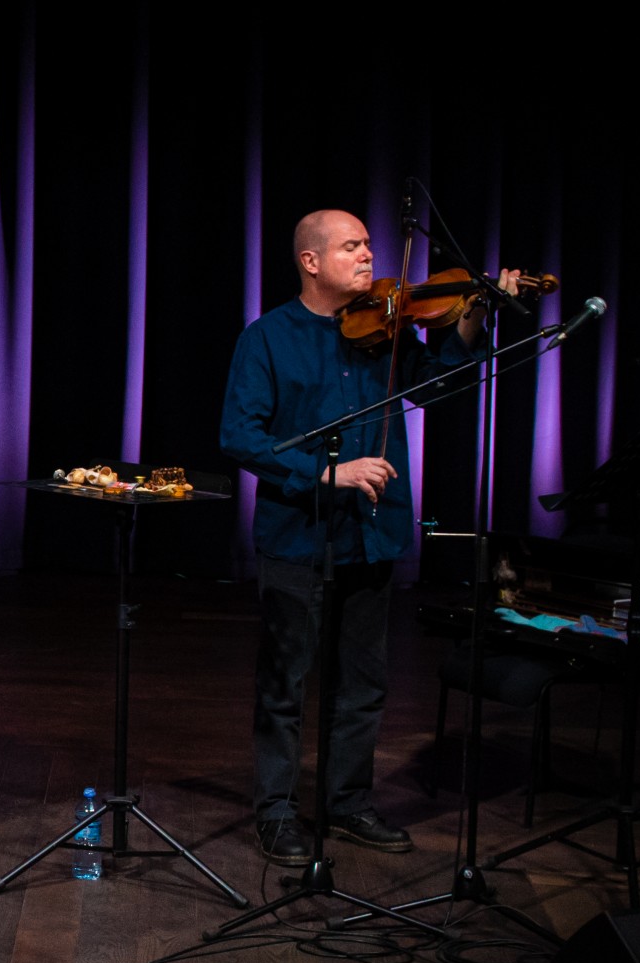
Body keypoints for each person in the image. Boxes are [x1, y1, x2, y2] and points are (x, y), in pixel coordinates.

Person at [219, 209, 522, 861]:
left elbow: (440, 386)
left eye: (368, 245)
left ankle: (348, 803)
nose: (367, 256)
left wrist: (473, 314)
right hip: (298, 535)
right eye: (351, 246)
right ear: (311, 261)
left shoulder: (386, 331)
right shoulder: (266, 338)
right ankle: (277, 812)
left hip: (372, 532)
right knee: (285, 683)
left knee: (363, 682)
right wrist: (326, 472)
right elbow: (239, 435)